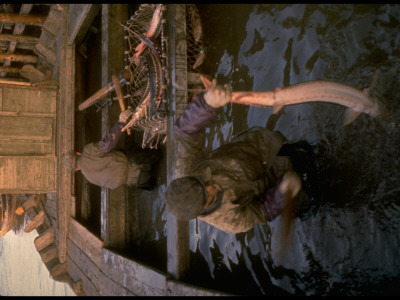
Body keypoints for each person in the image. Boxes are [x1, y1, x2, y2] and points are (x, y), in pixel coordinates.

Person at [164, 79, 306, 234]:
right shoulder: (229, 221)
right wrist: (282, 193)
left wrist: (206, 104)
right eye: (208, 194)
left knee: (304, 152)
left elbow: (185, 132)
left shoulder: (187, 167)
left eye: (202, 182)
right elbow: (262, 212)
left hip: (262, 147)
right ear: (203, 208)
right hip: (274, 183)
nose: (210, 186)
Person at [66, 108, 161, 190]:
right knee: (160, 153)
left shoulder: (89, 178)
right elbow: (107, 145)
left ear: (77, 169)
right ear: (78, 153)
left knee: (154, 183)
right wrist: (121, 122)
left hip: (138, 180)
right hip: (136, 162)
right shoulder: (87, 151)